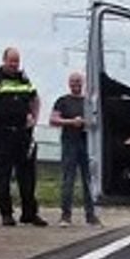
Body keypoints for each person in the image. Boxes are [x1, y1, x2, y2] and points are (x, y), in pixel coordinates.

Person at [0, 46, 47, 228]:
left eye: (17, 61)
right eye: (11, 61)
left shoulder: (24, 79)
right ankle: (6, 213)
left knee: (28, 177)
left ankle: (29, 213)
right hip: (2, 133)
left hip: (23, 134)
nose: (14, 64)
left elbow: (35, 99)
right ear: (4, 60)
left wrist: (34, 119)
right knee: (2, 177)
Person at [49, 72, 98, 226]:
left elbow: (96, 121)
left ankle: (91, 216)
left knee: (88, 180)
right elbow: (53, 119)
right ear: (69, 84)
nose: (76, 84)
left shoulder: (89, 102)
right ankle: (65, 215)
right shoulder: (62, 101)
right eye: (73, 81)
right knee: (68, 179)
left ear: (82, 82)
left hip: (86, 143)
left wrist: (86, 122)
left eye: (78, 81)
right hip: (69, 142)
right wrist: (71, 122)